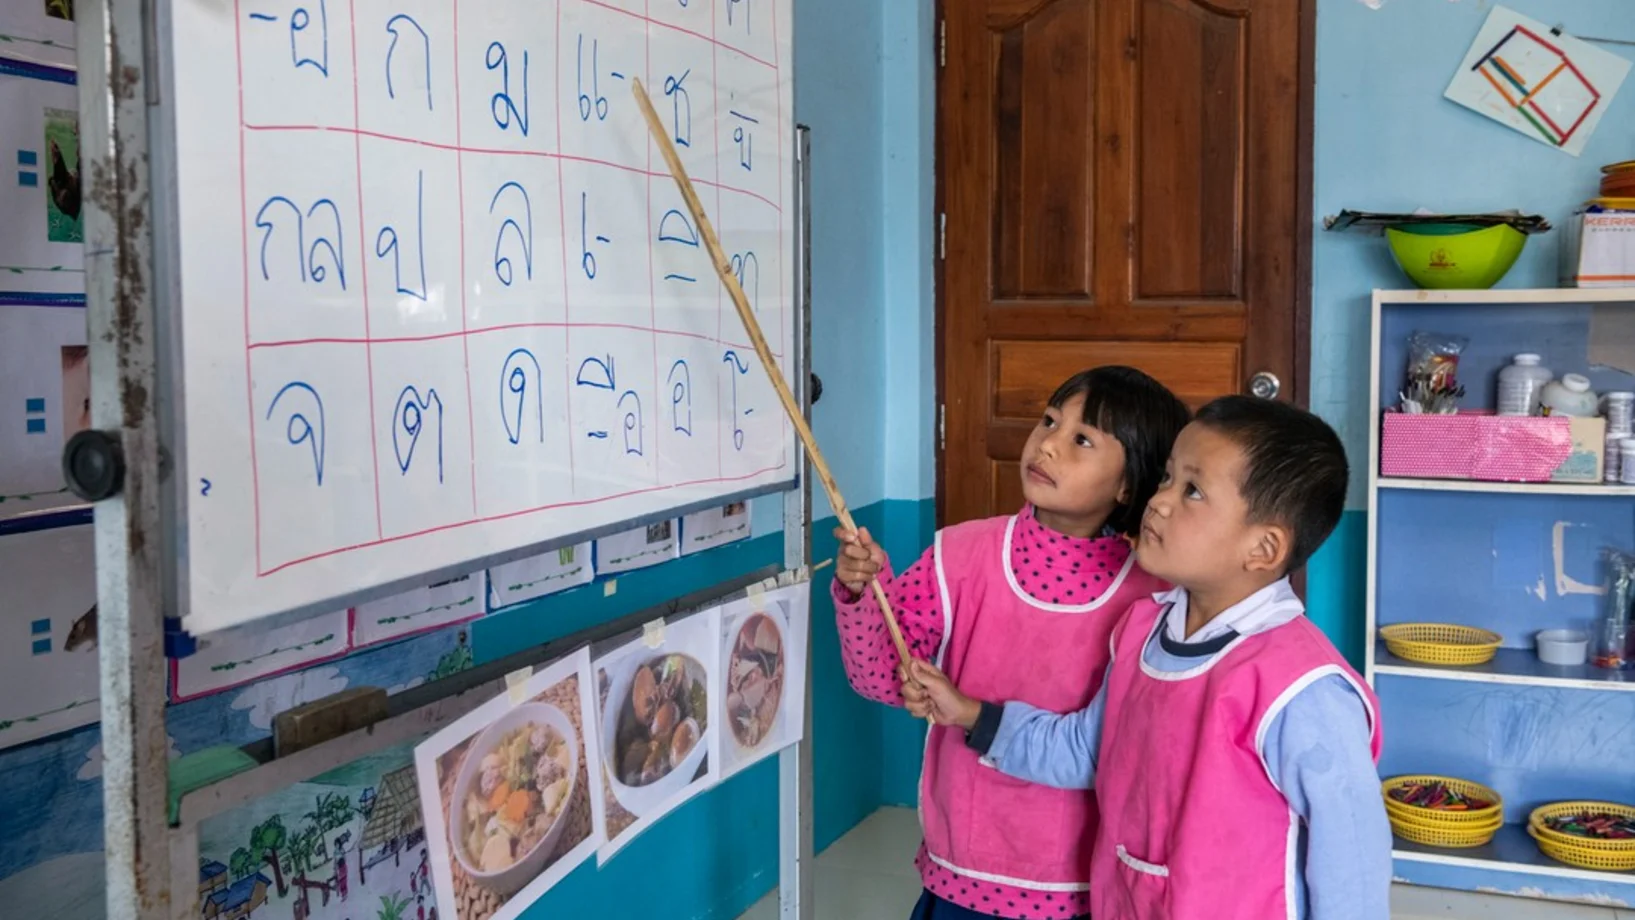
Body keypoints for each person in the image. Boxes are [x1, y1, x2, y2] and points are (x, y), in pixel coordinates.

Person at [904, 396, 1389, 920]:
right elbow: (1087, 751)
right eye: (1166, 479)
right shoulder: (1141, 632)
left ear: (1264, 549)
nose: (1159, 503)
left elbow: (1352, 860)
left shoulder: (1299, 687)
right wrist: (971, 714)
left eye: (1193, 491)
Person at [833, 366, 1191, 920]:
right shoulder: (960, 555)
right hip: (964, 871)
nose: (1047, 444)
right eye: (1049, 421)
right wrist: (862, 594)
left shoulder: (1153, 593)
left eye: (1082, 439)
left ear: (1127, 484)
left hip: (1087, 880)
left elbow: (1128, 751)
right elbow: (879, 678)